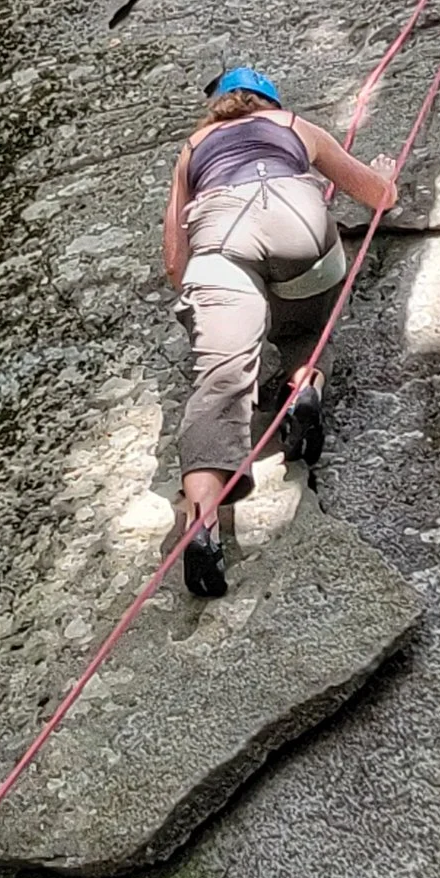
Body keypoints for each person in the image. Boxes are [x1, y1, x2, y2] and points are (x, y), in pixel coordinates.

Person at [163, 64, 397, 596]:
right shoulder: (295, 126)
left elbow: (175, 259)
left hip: (222, 238)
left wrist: (212, 310)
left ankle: (201, 525)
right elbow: (379, 197)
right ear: (269, 100)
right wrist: (383, 174)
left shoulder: (194, 147)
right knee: (306, 331)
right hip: (300, 223)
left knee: (218, 385)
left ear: (218, 106)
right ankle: (304, 389)